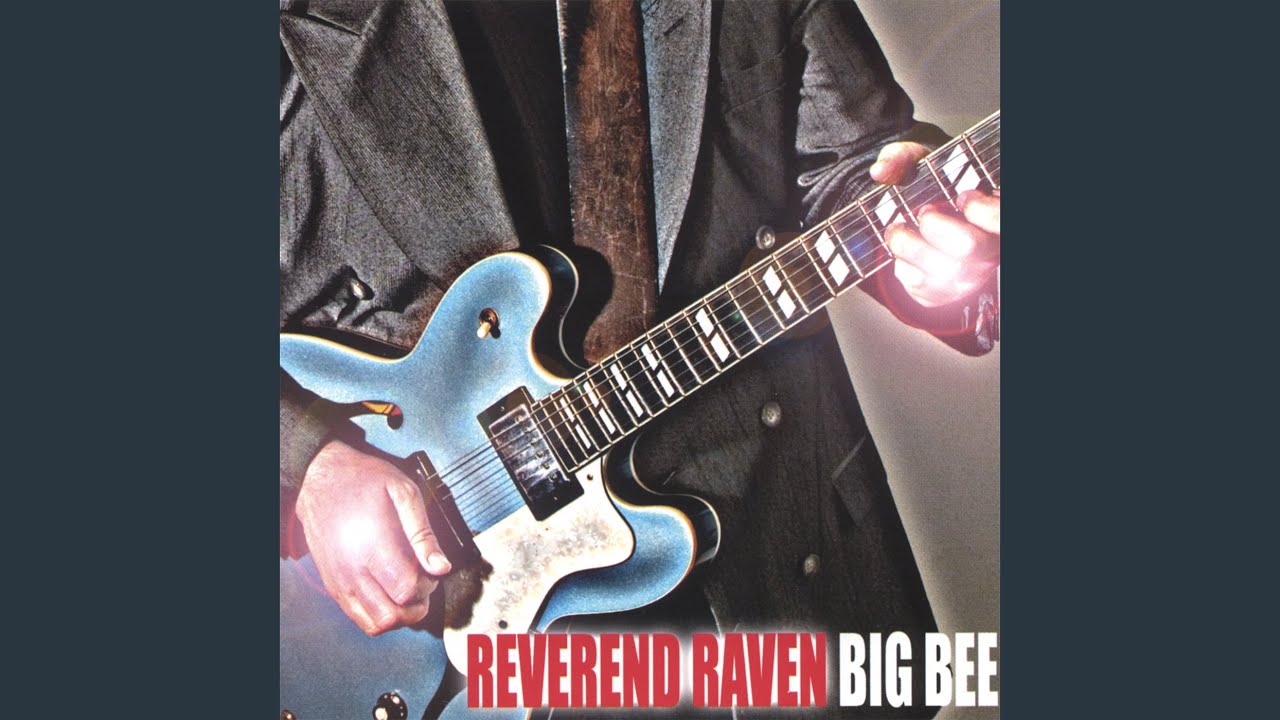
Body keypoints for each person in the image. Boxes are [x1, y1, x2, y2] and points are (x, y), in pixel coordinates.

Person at [279, 1, 999, 716]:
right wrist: (309, 462)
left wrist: (929, 245)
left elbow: (852, 165)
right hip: (461, 652)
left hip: (774, 574)